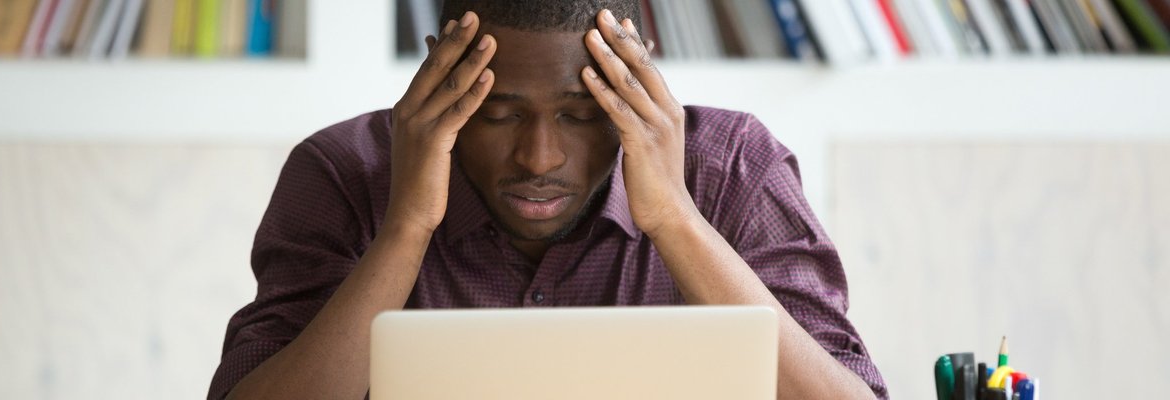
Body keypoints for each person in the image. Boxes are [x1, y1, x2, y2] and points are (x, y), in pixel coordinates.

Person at [208, 1, 888, 399]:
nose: (539, 159)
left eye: (581, 115)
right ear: (439, 70)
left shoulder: (733, 168)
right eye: (498, 114)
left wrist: (675, 219)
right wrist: (406, 228)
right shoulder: (343, 174)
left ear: (636, 74)